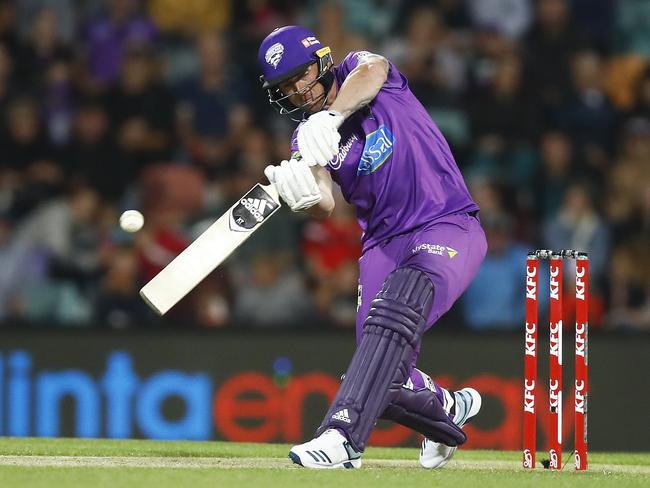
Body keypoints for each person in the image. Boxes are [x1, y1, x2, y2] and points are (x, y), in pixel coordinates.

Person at [258, 26, 487, 469]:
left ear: (322, 63)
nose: (296, 90)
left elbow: (373, 71)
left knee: (395, 314)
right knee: (381, 370)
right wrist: (302, 198)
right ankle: (447, 411)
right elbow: (325, 202)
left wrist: (331, 117)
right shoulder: (305, 139)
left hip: (446, 222)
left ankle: (342, 439)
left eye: (299, 75)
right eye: (284, 86)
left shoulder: (359, 70)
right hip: (383, 245)